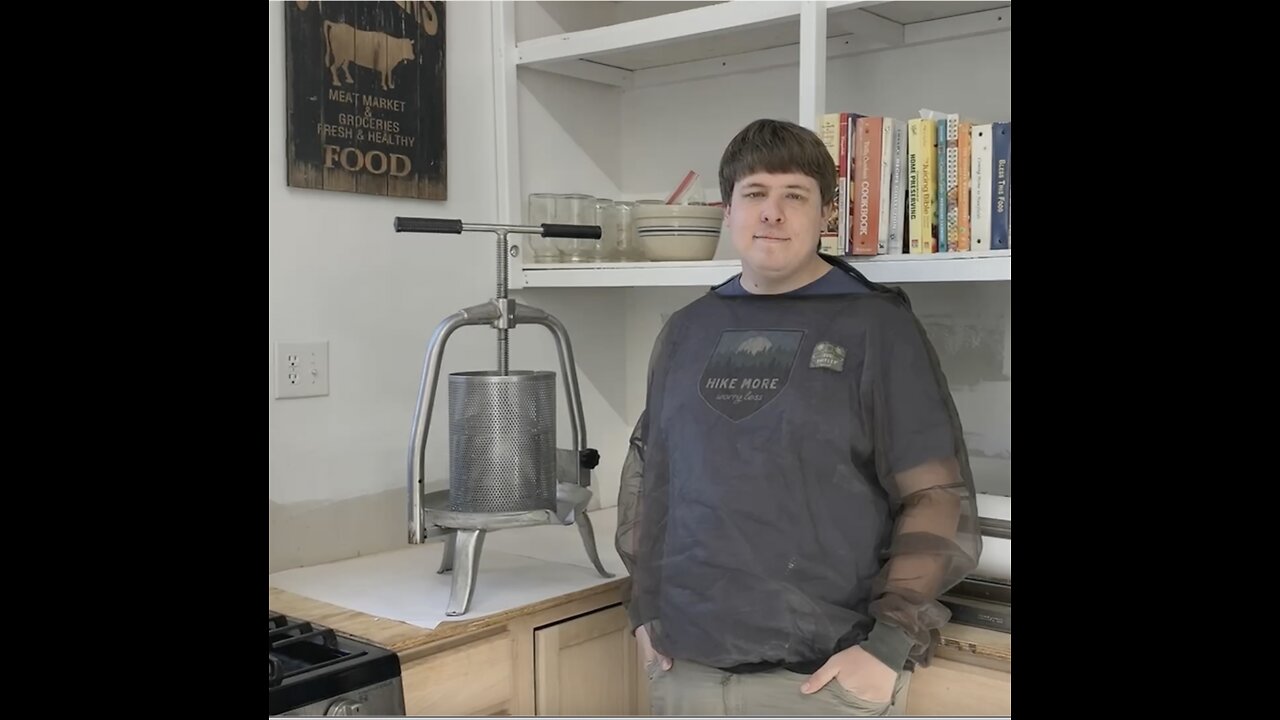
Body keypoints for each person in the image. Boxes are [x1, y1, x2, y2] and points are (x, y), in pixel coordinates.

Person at [615, 118, 983, 717]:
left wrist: (887, 648)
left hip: (823, 677)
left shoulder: (877, 328)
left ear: (825, 215)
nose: (772, 213)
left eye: (795, 196)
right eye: (755, 193)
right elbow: (653, 479)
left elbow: (935, 495)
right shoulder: (688, 331)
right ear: (728, 210)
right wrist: (646, 612)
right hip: (686, 668)